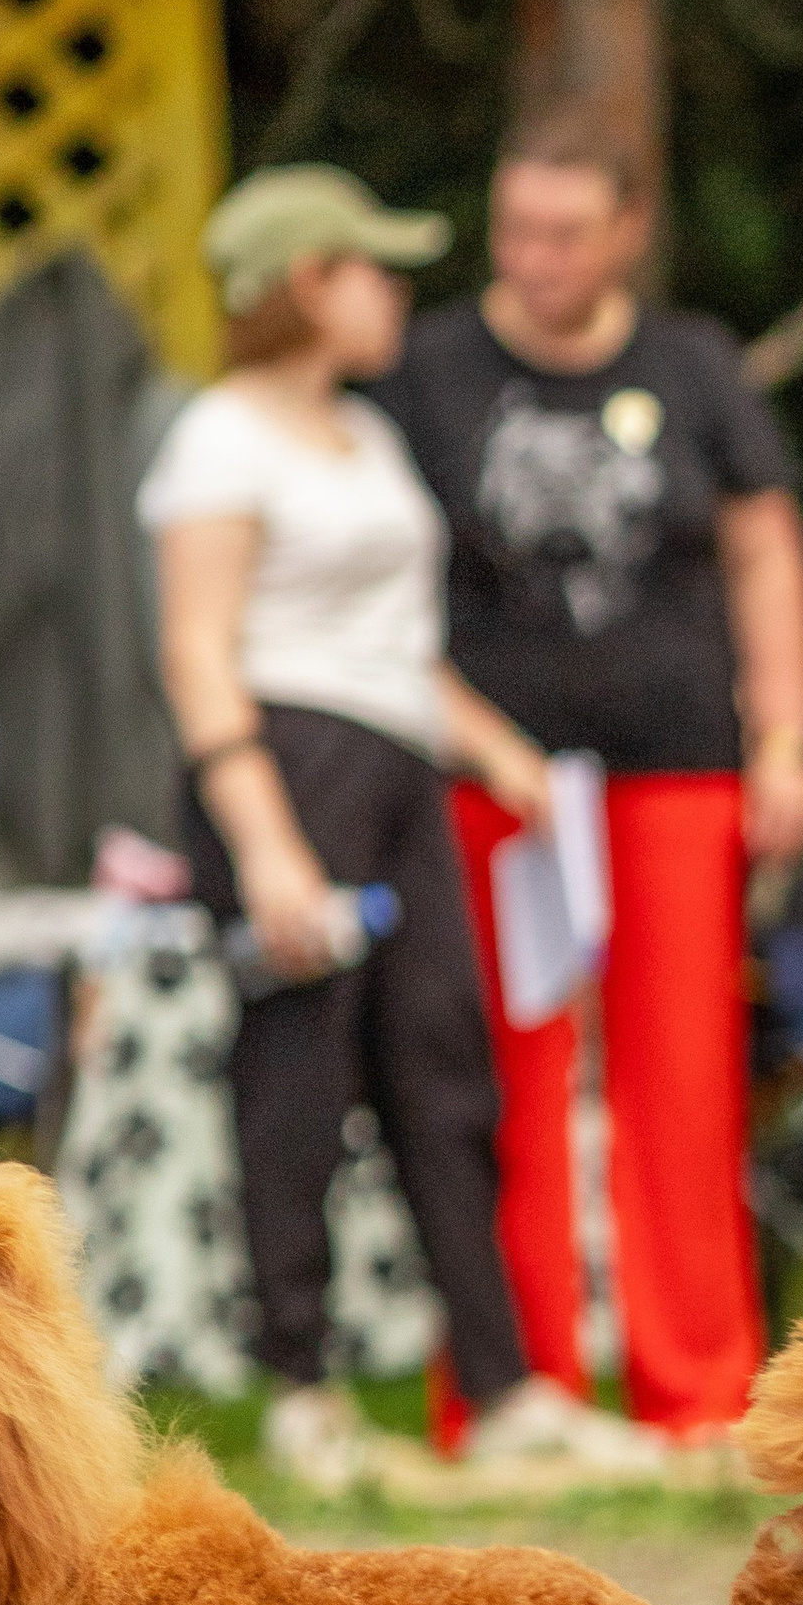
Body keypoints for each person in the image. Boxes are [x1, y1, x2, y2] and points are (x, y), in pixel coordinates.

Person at [142, 163, 665, 1493]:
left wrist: (502, 755)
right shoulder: (217, 442)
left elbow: (398, 651)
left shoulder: (365, 437)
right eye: (372, 267)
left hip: (397, 776)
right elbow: (201, 652)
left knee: (446, 1071)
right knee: (298, 1084)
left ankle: (501, 1387)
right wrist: (263, 842)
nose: (396, 293)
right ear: (311, 284)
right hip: (286, 767)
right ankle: (304, 1391)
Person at [373, 113, 803, 1439]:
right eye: (517, 230)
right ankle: (523, 1393)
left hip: (677, 773)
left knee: (684, 1081)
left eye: (568, 233)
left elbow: (766, 549)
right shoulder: (430, 371)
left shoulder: (694, 365)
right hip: (495, 787)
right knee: (499, 1082)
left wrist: (785, 735)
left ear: (630, 228)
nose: (538, 258)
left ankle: (700, 1391)